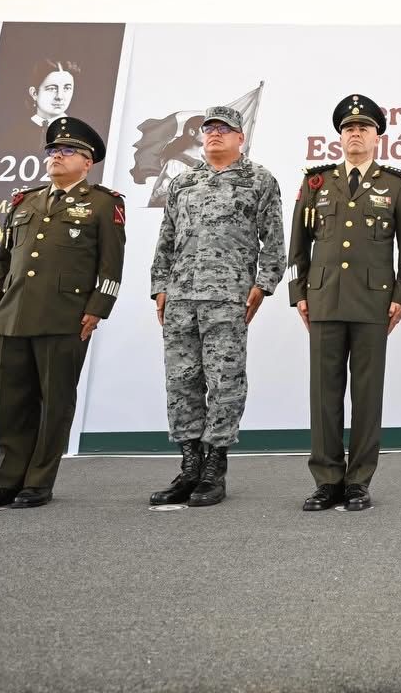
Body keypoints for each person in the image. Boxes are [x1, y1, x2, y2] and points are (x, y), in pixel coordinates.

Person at [0, 117, 126, 511]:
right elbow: (3, 261)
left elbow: (111, 265)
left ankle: (38, 482)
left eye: (67, 151)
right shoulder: (25, 201)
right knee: (13, 404)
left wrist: (96, 310)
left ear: (87, 162)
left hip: (65, 317)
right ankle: (7, 482)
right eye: (53, 150)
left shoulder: (104, 203)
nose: (56, 156)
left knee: (55, 403)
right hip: (12, 315)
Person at [288, 94, 401, 512]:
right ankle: (327, 480)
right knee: (323, 395)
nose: (355, 134)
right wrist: (298, 293)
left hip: (373, 303)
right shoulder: (316, 182)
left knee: (367, 395)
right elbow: (298, 245)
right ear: (340, 138)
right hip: (324, 299)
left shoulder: (396, 184)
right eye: (348, 128)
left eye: (363, 128)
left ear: (377, 137)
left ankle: (359, 481)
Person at [149, 106, 284, 508]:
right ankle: (190, 466)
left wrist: (264, 284)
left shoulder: (259, 180)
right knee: (181, 382)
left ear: (241, 138)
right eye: (209, 128)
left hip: (228, 299)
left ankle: (214, 469)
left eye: (224, 129)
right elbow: (166, 237)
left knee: (225, 382)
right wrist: (159, 285)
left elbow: (274, 239)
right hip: (180, 298)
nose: (214, 134)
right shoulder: (183, 182)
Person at [27, 59, 78, 128]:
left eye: (66, 88)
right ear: (34, 93)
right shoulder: (18, 129)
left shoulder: (78, 130)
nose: (60, 97)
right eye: (52, 89)